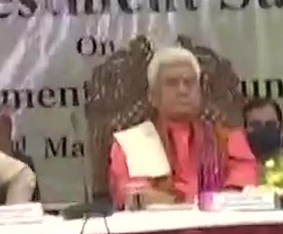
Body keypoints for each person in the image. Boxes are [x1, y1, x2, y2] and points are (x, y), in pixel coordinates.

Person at [108, 46, 259, 208]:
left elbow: (243, 187)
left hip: (218, 222)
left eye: (189, 82)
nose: (183, 90)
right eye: (172, 83)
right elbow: (135, 197)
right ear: (153, 96)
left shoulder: (228, 139)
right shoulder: (133, 143)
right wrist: (194, 204)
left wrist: (185, 203)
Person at [242, 97, 283, 163]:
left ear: (281, 127)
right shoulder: (231, 168)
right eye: (256, 125)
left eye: (270, 124)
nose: (263, 130)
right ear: (244, 129)